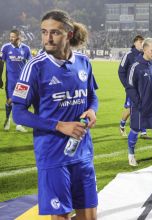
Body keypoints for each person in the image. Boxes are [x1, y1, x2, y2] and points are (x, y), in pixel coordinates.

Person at [12, 10, 98, 219]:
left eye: (54, 33)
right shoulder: (34, 67)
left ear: (68, 34)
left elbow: (91, 96)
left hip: (82, 152)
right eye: (44, 32)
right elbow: (18, 113)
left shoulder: (83, 62)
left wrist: (92, 111)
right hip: (53, 156)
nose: (47, 38)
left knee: (90, 217)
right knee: (62, 217)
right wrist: (59, 125)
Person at [126, 38, 152, 170]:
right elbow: (130, 87)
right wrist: (138, 103)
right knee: (135, 130)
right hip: (140, 108)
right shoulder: (135, 67)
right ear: (144, 50)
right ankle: (131, 154)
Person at [118, 35, 151, 139]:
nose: (142, 44)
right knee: (130, 109)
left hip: (143, 87)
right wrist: (127, 85)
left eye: (143, 42)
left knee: (144, 107)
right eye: (141, 42)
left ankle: (143, 132)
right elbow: (121, 71)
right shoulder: (129, 55)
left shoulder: (144, 55)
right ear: (135, 42)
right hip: (132, 87)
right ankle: (122, 126)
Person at [1, 29, 32, 132]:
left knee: (20, 103)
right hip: (10, 81)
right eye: (10, 36)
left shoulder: (26, 49)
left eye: (13, 36)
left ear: (19, 37)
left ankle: (19, 125)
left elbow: (30, 64)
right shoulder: (6, 48)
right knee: (10, 101)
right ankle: (7, 120)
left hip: (22, 81)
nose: (11, 38)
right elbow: (1, 63)